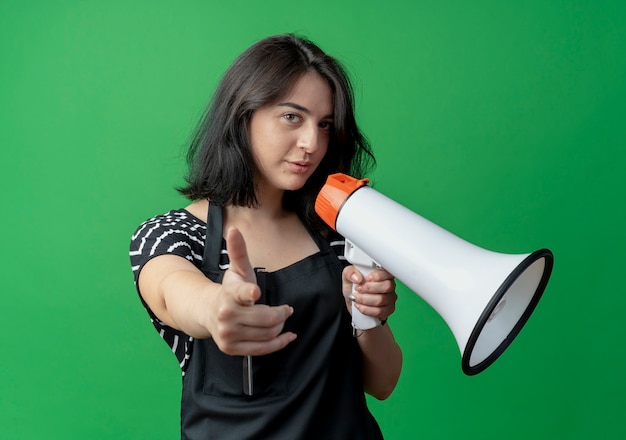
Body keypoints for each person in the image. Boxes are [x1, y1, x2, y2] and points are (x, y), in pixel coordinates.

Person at [129, 34, 402, 439]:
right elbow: (172, 291)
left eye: (324, 125)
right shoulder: (171, 236)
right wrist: (216, 308)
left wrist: (367, 316)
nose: (312, 143)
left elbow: (382, 383)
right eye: (292, 116)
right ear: (243, 114)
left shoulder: (340, 233)